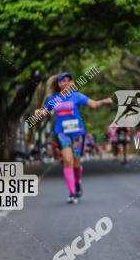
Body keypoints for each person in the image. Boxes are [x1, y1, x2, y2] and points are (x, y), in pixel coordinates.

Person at [40, 73, 113, 203]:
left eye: (69, 80)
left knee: (76, 162)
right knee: (68, 160)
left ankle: (77, 181)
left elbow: (94, 104)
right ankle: (72, 192)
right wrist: (38, 112)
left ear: (72, 83)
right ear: (59, 84)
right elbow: (45, 112)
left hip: (78, 133)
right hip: (62, 134)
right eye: (63, 81)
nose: (66, 83)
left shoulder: (77, 96)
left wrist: (103, 101)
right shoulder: (54, 98)